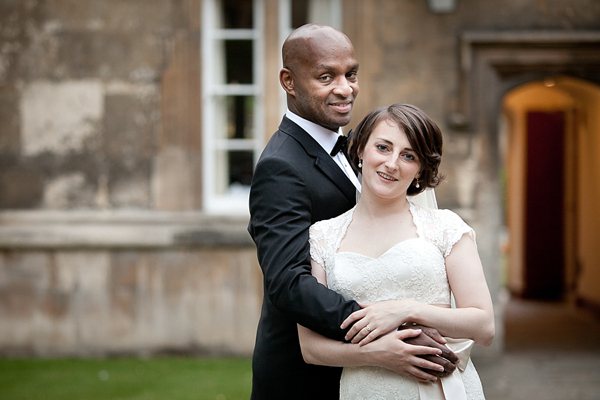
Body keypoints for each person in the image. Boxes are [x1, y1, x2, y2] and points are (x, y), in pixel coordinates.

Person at [248, 24, 458, 400]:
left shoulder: (356, 149)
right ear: (289, 81)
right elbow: (289, 283)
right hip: (306, 376)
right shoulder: (281, 166)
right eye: (326, 76)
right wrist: (386, 327)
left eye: (351, 74)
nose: (345, 88)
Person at [297, 103, 495, 399]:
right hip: (364, 389)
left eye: (408, 155)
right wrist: (380, 354)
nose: (392, 163)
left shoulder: (445, 227)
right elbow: (311, 348)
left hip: (439, 389)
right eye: (383, 147)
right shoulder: (323, 236)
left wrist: (405, 309)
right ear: (361, 150)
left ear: (419, 169)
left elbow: (484, 326)